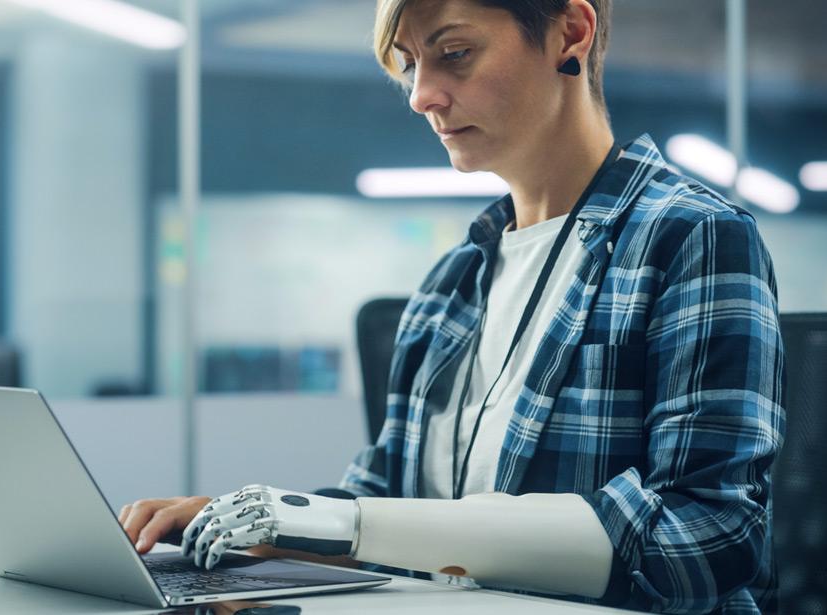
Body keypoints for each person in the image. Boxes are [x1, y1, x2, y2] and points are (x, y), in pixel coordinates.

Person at [120, 1, 784, 612]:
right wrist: (258, 531)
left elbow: (707, 535)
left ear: (569, 33)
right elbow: (382, 499)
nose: (421, 95)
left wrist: (340, 525)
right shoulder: (452, 282)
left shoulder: (690, 235)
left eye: (455, 53)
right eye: (410, 65)